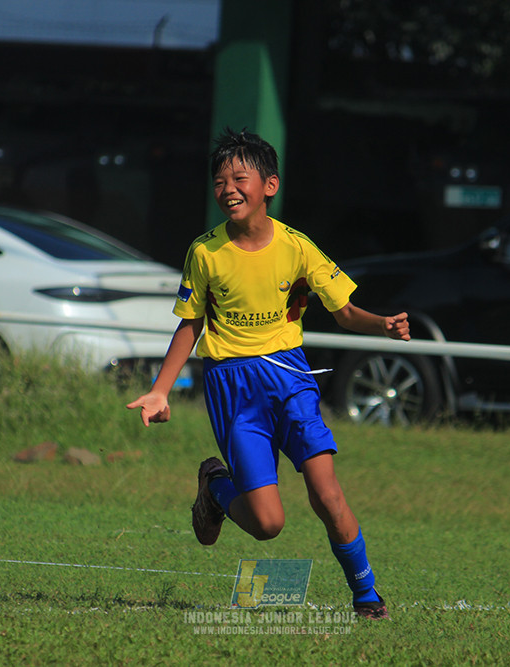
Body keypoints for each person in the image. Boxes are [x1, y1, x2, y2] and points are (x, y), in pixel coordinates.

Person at [126, 128, 410, 620]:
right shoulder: (205, 252)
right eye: (220, 181)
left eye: (240, 178)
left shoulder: (297, 248)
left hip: (290, 381)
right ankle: (215, 483)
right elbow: (189, 323)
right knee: (267, 524)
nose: (228, 189)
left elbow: (344, 311)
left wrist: (381, 324)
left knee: (327, 493)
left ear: (269, 186)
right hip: (232, 388)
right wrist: (160, 390)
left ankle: (366, 596)